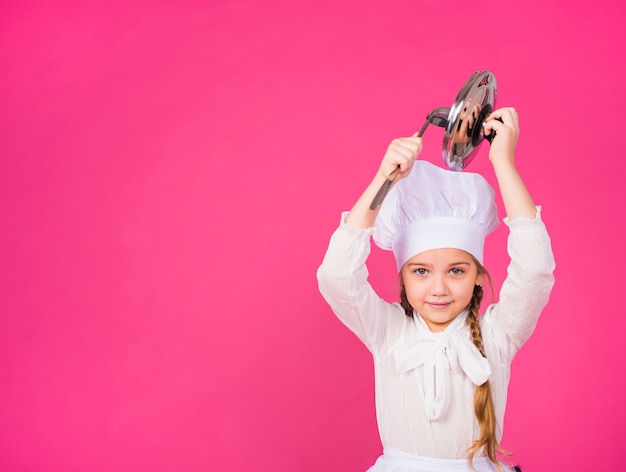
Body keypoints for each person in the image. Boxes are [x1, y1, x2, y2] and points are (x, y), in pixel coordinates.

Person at [317, 107, 555, 472]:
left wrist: (503, 161)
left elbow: (535, 269)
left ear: (478, 274)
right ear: (403, 277)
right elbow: (336, 276)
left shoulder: (498, 334)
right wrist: (384, 178)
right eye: (422, 271)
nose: (439, 288)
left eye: (456, 270)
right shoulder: (389, 331)